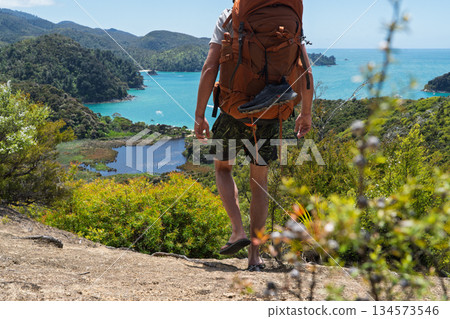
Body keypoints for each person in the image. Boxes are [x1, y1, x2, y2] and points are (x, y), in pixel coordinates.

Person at [194, 4, 313, 271]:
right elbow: (304, 69)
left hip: (234, 109)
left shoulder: (231, 15)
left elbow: (210, 66)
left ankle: (237, 231)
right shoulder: (290, 15)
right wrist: (306, 112)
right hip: (273, 113)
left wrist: (199, 115)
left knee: (223, 168)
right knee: (259, 183)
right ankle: (255, 258)